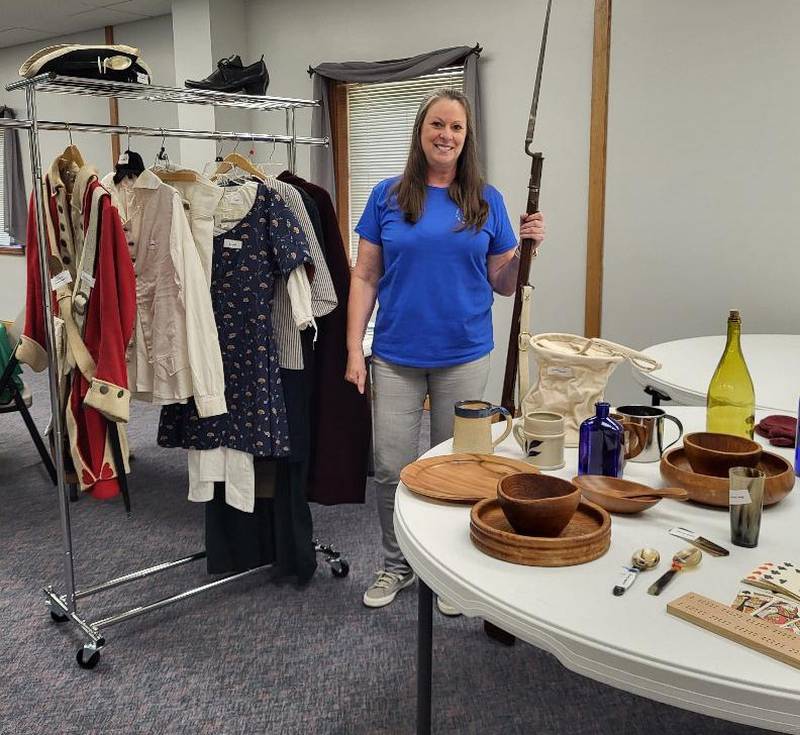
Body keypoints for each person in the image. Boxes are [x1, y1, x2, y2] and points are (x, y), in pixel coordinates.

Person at [345, 88, 546, 611]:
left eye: (456, 128)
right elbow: (365, 276)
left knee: (456, 468)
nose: (446, 135)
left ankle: (447, 572)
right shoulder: (387, 196)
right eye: (437, 124)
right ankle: (397, 565)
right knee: (391, 466)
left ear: (466, 138)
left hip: (463, 353)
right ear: (420, 131)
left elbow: (504, 282)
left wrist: (527, 251)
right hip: (395, 355)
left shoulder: (486, 200)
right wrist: (353, 349)